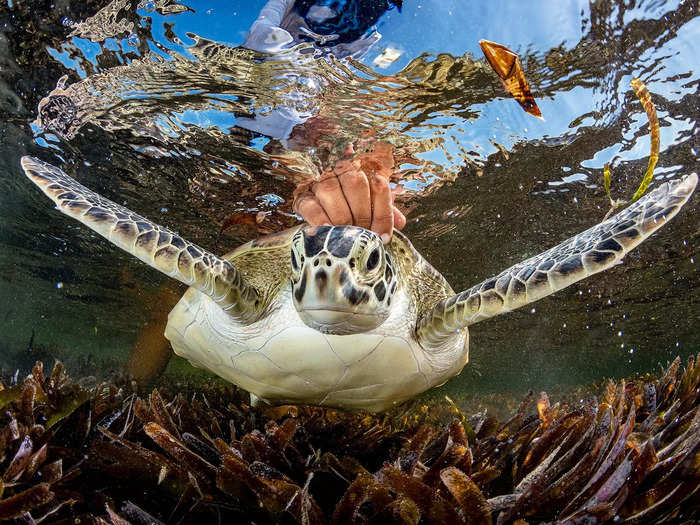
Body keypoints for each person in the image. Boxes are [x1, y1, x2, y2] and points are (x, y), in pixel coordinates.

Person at [240, 0, 406, 242]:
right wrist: (300, 146)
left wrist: (348, 152)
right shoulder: (280, 11)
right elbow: (258, 53)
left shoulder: (374, 30)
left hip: (300, 111)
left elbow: (348, 90)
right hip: (256, 107)